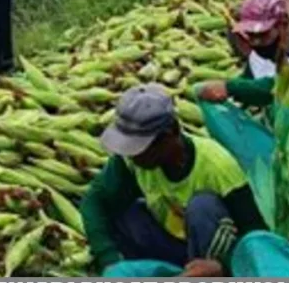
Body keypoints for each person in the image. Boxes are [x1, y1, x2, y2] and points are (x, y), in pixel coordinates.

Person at [81, 84, 268, 277]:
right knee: (124, 213)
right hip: (170, 247)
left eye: (140, 147)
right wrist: (108, 259)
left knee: (202, 206)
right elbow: (94, 201)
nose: (133, 156)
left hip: (210, 253)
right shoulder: (132, 161)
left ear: (171, 133)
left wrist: (223, 264)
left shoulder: (217, 166)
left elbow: (256, 233)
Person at [196, 0, 289, 111]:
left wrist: (230, 88)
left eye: (263, 34)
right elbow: (247, 82)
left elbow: (278, 87)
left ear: (283, 25)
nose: (256, 42)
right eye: (251, 35)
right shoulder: (257, 58)